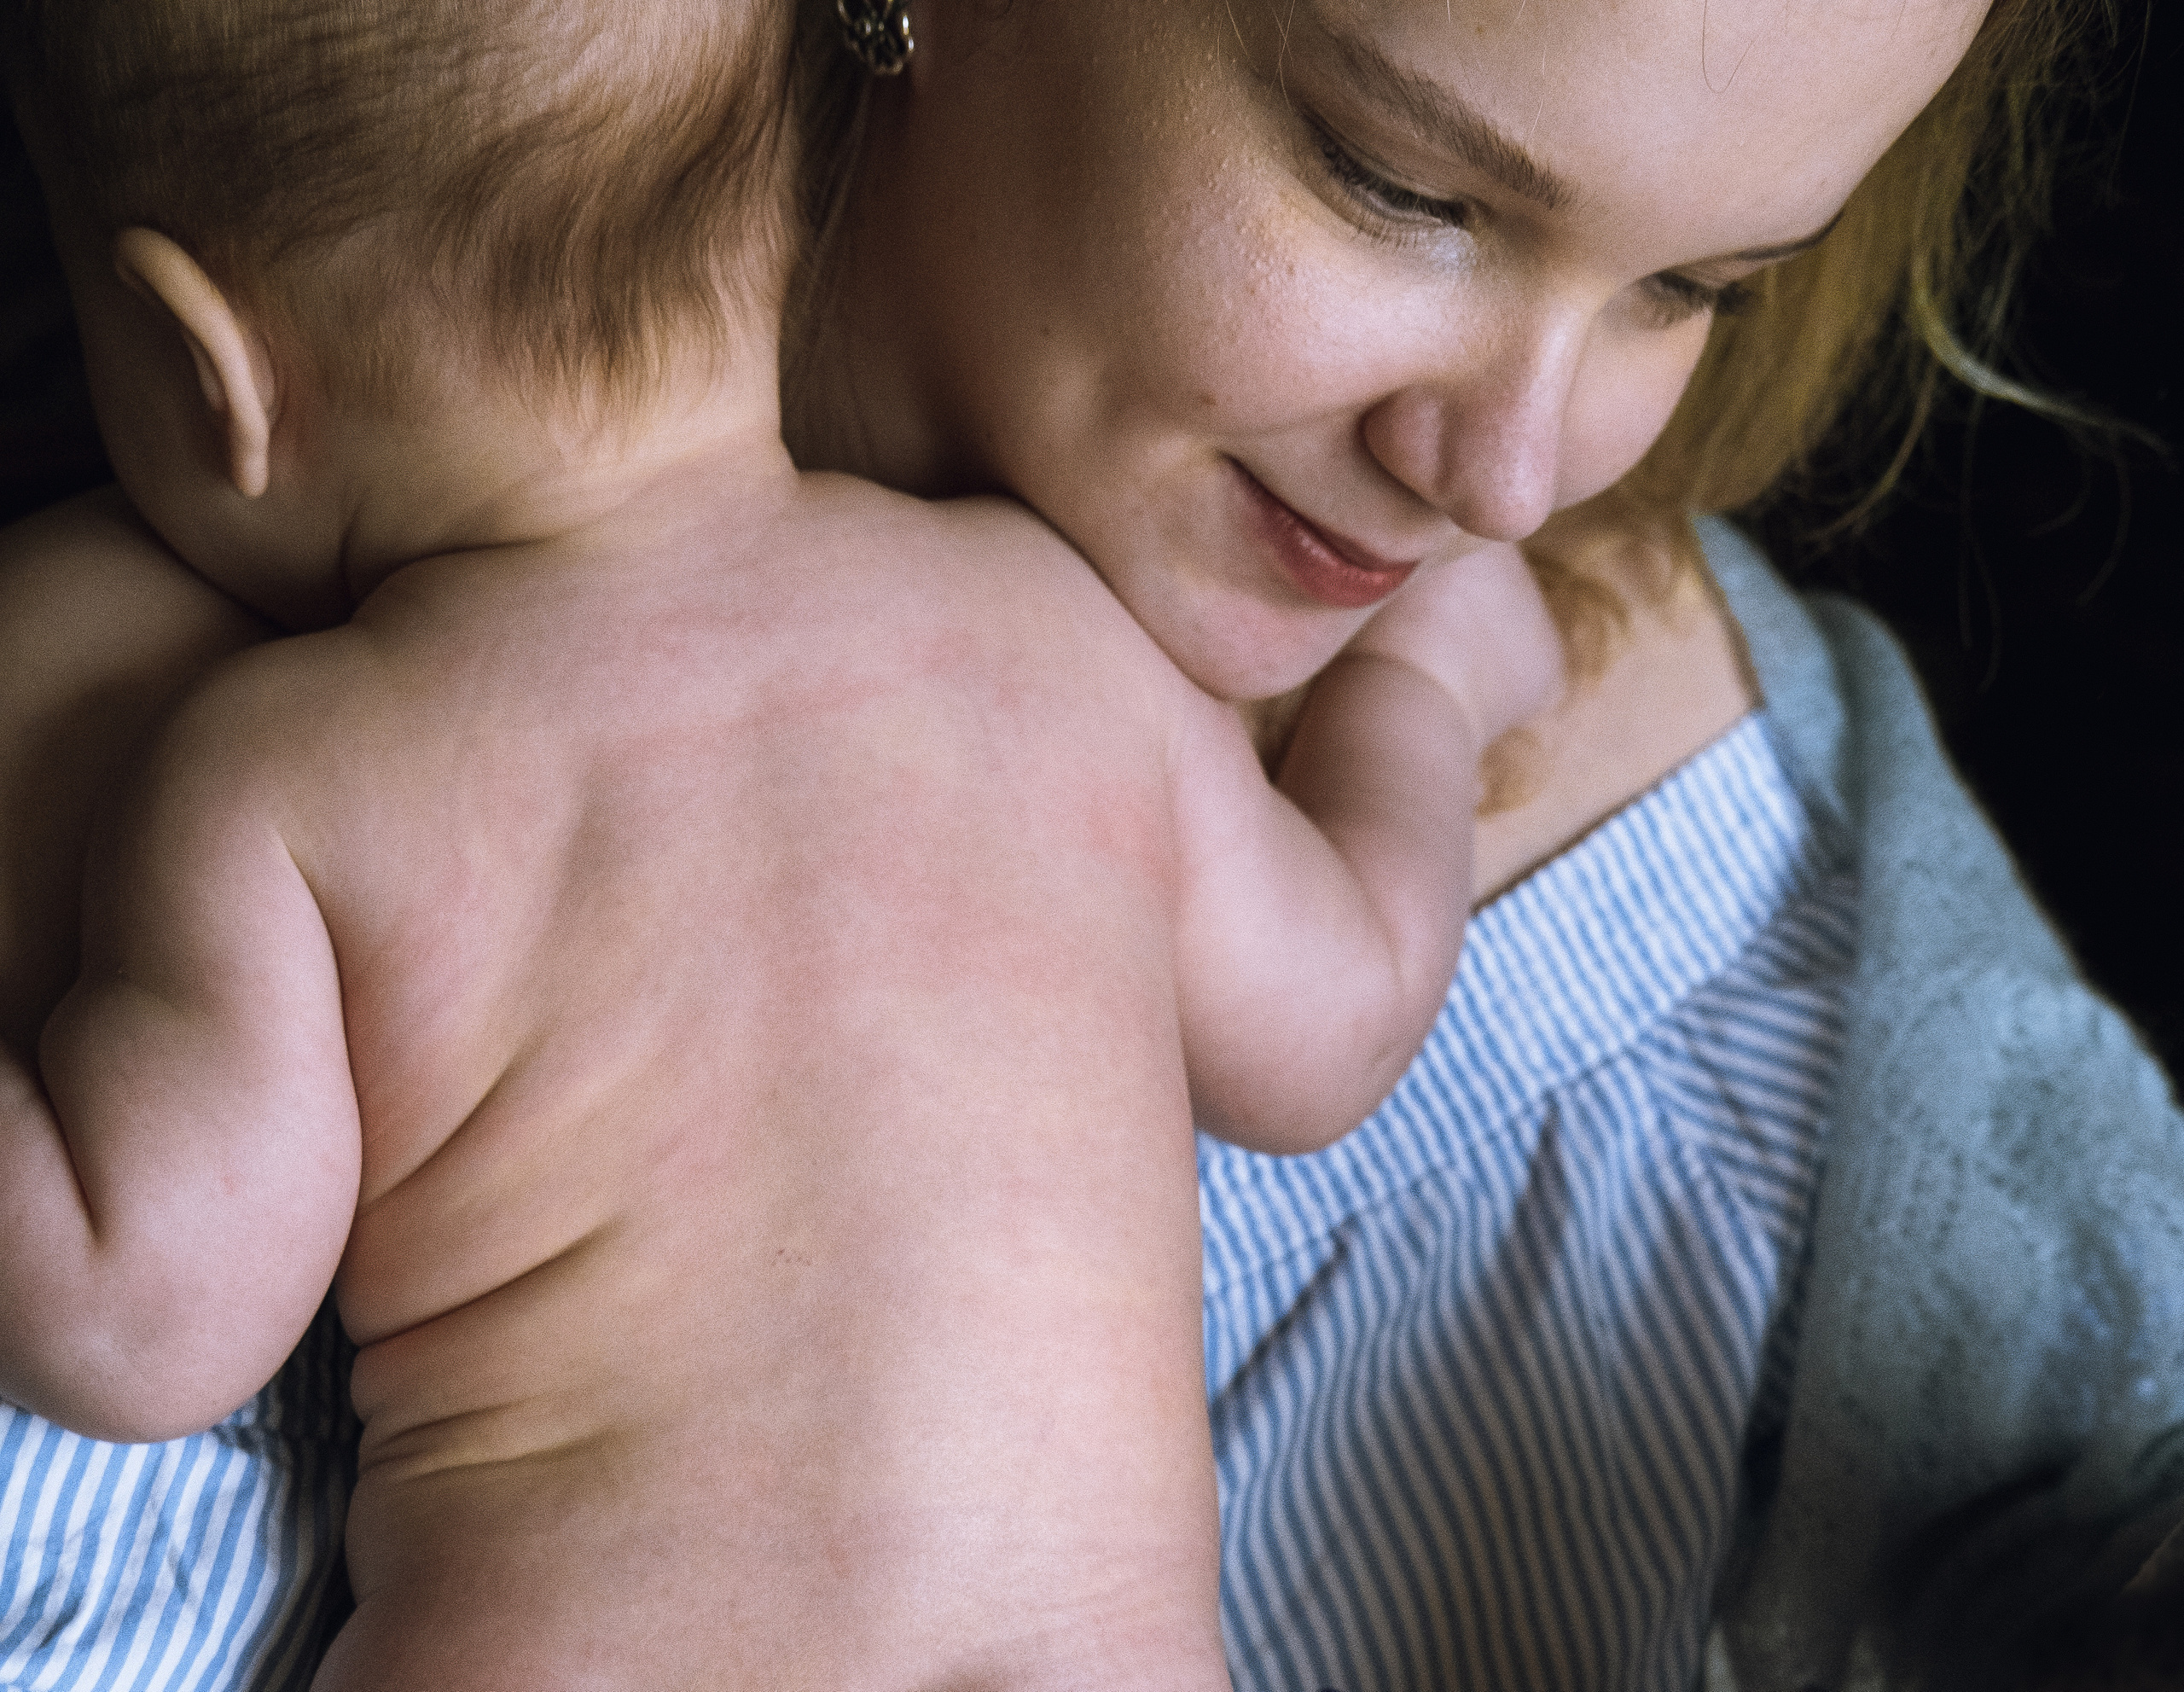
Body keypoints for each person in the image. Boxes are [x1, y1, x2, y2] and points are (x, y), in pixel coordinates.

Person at [4, 0, 2180, 1688]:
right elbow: (1333, 1018)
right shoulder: (1075, 691)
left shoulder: (308, 786)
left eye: (1692, 283)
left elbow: (129, 1300)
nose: (1512, 475)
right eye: (1400, 183)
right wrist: (1417, 704)